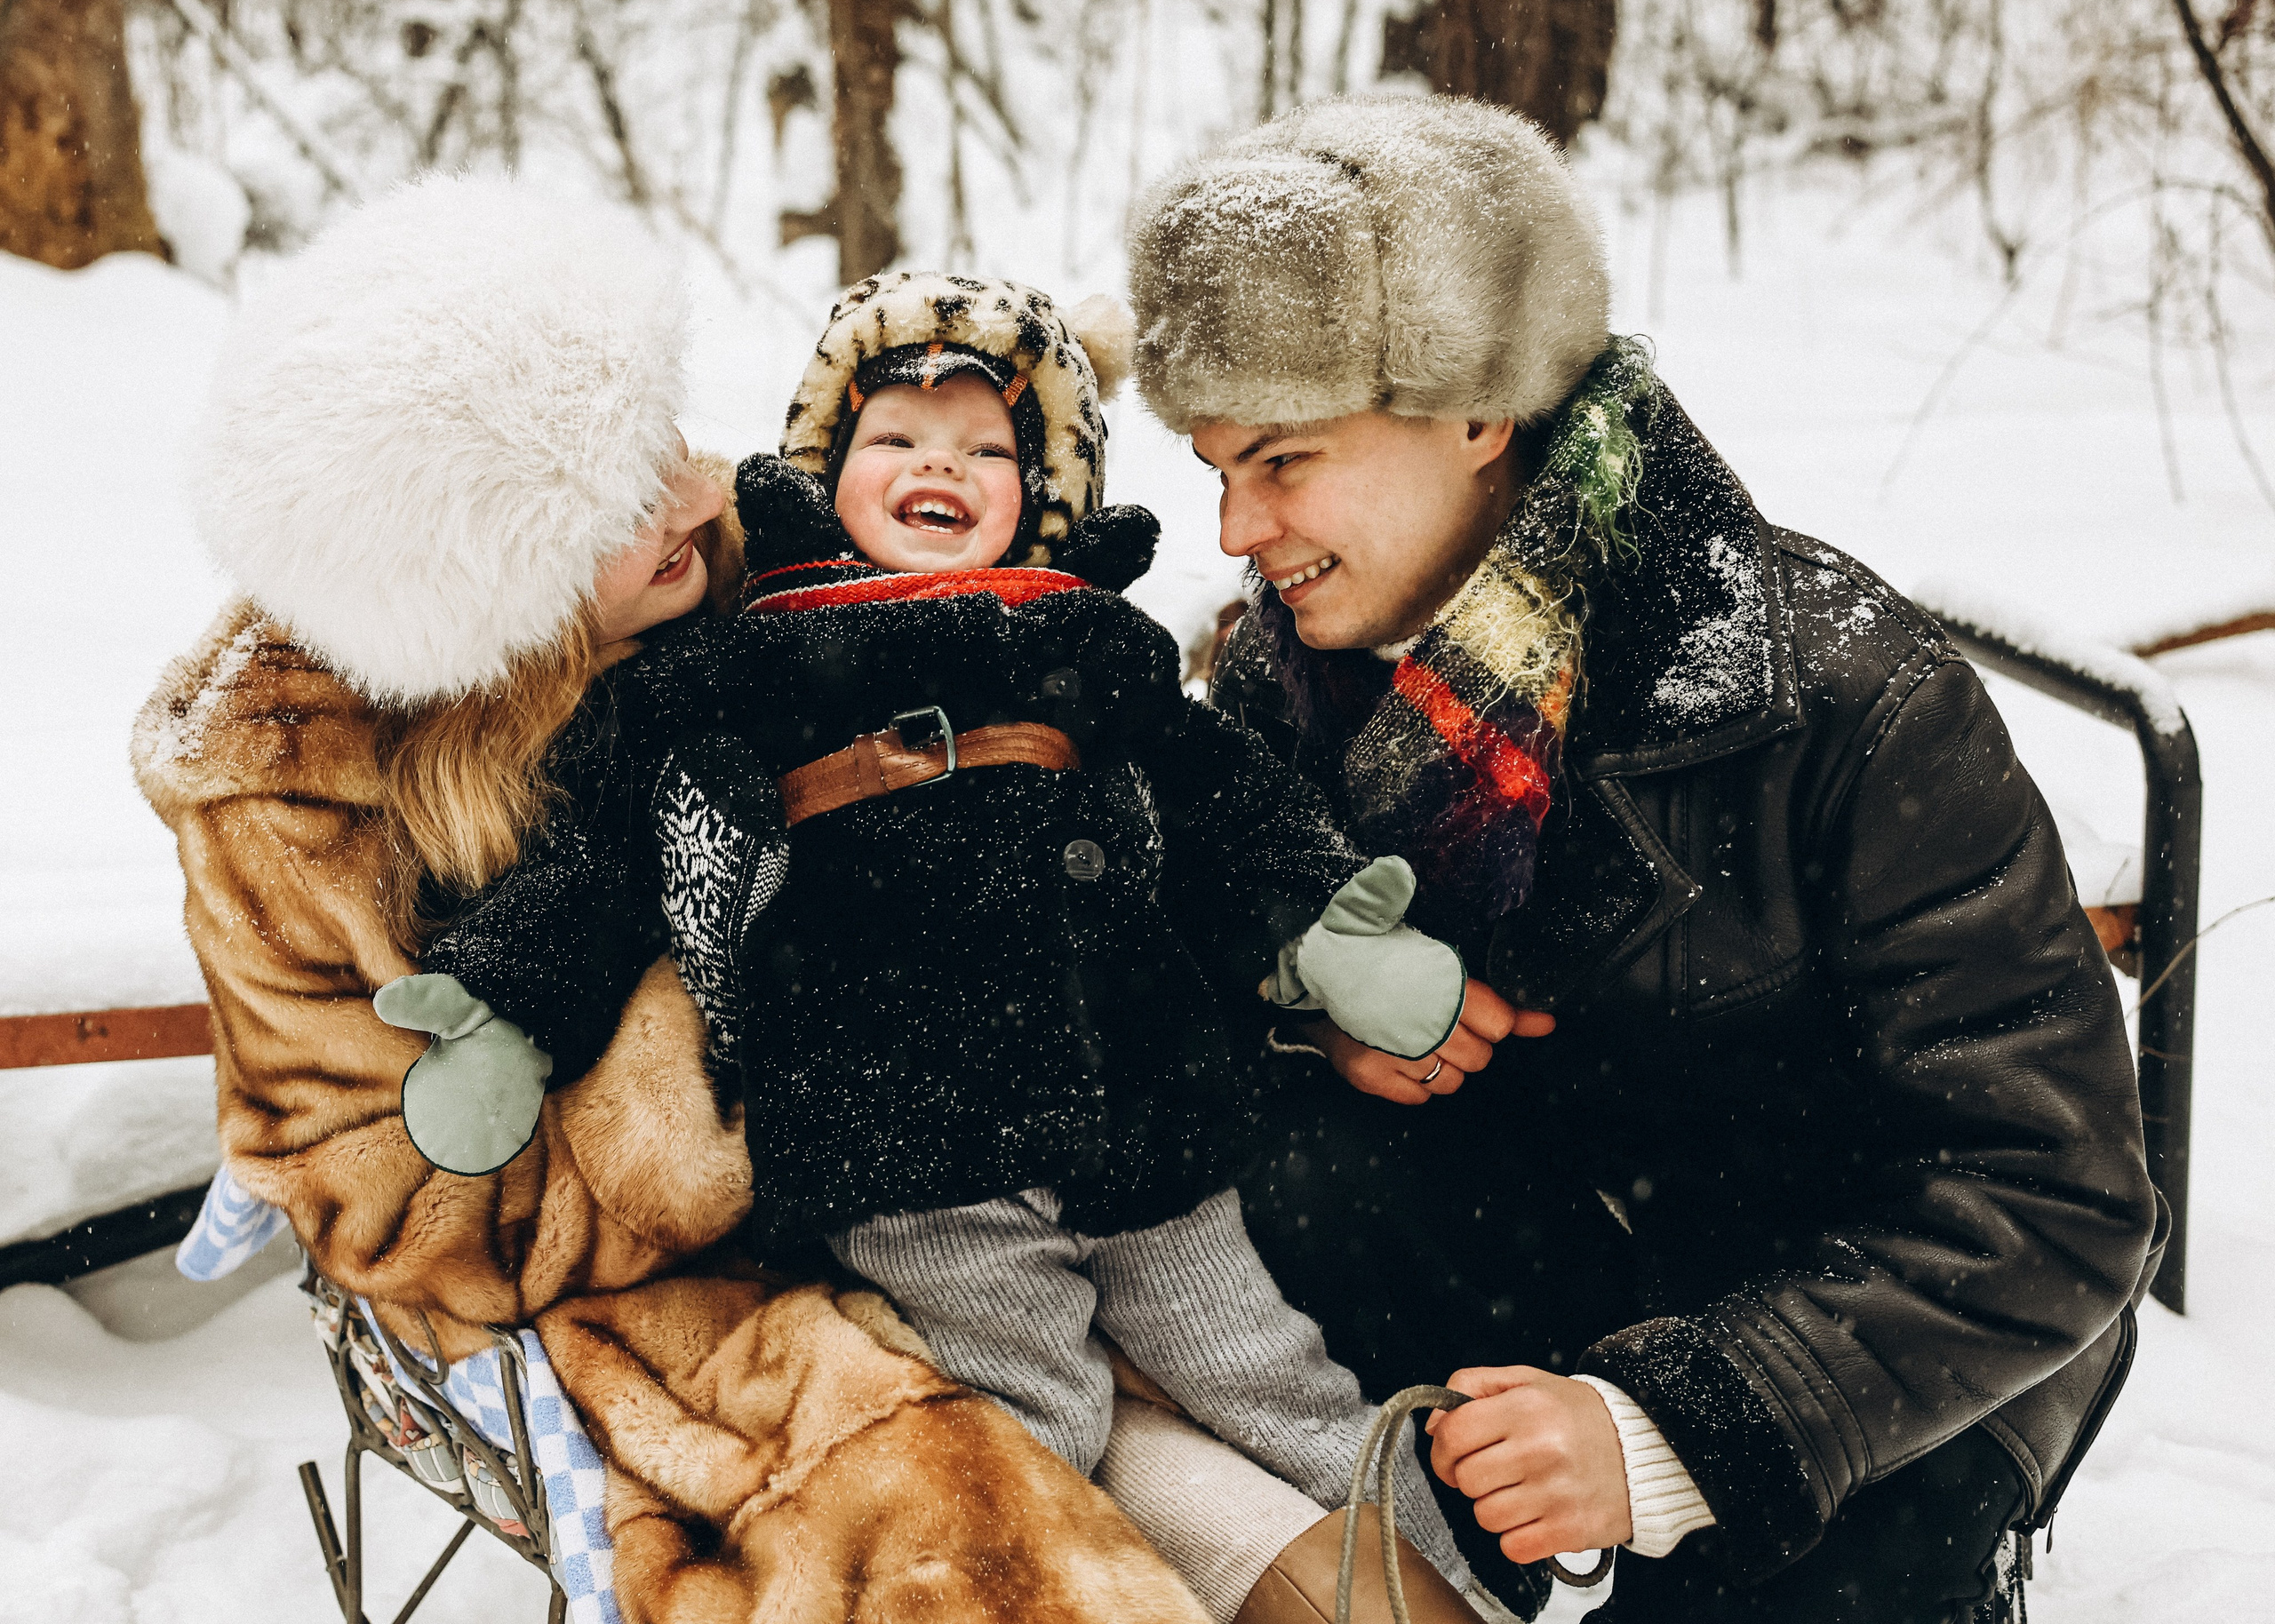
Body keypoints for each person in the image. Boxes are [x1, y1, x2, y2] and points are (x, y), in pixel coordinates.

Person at [139, 172, 1241, 1623]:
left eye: (659, 438)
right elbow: (402, 1209)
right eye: (610, 502)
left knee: (1244, 1412)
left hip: (970, 1146)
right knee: (983, 1545)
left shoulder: (724, 554)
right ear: (491, 584)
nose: (696, 492)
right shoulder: (290, 797)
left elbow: (956, 545)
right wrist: (720, 1059)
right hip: (646, 1272)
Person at [1125, 95, 2165, 1623]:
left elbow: (2055, 1194)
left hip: (1868, 1363)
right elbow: (1211, 965)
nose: (1236, 526)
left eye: (1284, 459)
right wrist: (1312, 1015)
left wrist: (1673, 1431)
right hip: (1550, 1255)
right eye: (1217, 465)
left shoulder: (1839, 696)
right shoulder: (1293, 675)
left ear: (1480, 415)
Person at [384, 267, 1507, 1615]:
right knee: (1028, 1437)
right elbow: (610, 857)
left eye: (987, 448)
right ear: (825, 470)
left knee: (1281, 1387)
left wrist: (1327, 931)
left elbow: (1223, 798)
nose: (941, 466)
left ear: (1045, 492)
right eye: (898, 437)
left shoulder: (1091, 642)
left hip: (1148, 1118)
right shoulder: (749, 662)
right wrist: (509, 1005)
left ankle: (1465, 1591)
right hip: (915, 1151)